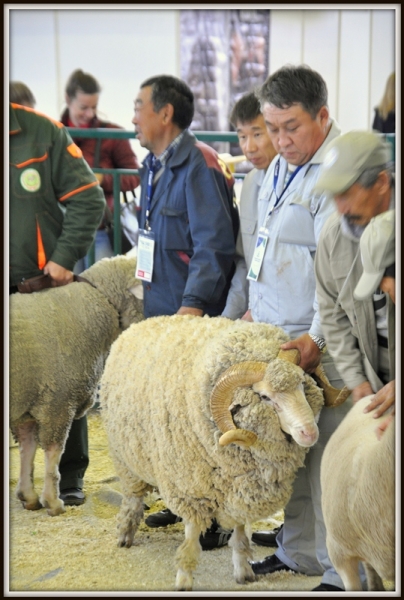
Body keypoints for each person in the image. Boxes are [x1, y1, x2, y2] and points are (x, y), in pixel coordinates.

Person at [243, 64, 355, 593]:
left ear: (323, 116)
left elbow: (343, 272)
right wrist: (253, 309)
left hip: (323, 341)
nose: (280, 139)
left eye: (291, 126)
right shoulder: (280, 165)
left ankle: (342, 569)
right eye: (271, 127)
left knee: (330, 459)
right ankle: (299, 550)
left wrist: (318, 337)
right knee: (294, 451)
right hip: (279, 335)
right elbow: (271, 244)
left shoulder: (338, 173)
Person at [132, 74, 239, 548]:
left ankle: (213, 517)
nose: (133, 116)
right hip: (159, 306)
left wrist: (193, 306)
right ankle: (180, 500)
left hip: (191, 316)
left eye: (139, 106)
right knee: (170, 415)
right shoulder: (151, 165)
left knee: (201, 414)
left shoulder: (200, 163)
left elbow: (213, 246)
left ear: (165, 113)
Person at [9, 102, 106, 505]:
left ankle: (70, 476)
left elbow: (89, 199)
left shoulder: (42, 132)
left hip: (38, 284)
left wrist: (64, 257)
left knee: (66, 376)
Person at [314, 130, 395, 434]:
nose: (340, 208)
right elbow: (331, 310)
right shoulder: (334, 235)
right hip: (371, 368)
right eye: (334, 196)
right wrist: (356, 379)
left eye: (346, 193)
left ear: (382, 183)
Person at [60, 69, 141, 270]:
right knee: (66, 295)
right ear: (67, 99)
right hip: (63, 233)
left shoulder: (112, 134)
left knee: (101, 294)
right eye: (83, 107)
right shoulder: (53, 134)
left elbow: (133, 176)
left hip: (102, 230)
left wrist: (102, 178)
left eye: (94, 107)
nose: (89, 114)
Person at [222, 91, 277, 321]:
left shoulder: (300, 183)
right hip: (255, 310)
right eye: (242, 137)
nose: (249, 147)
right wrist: (227, 319)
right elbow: (246, 261)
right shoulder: (250, 182)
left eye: (257, 134)